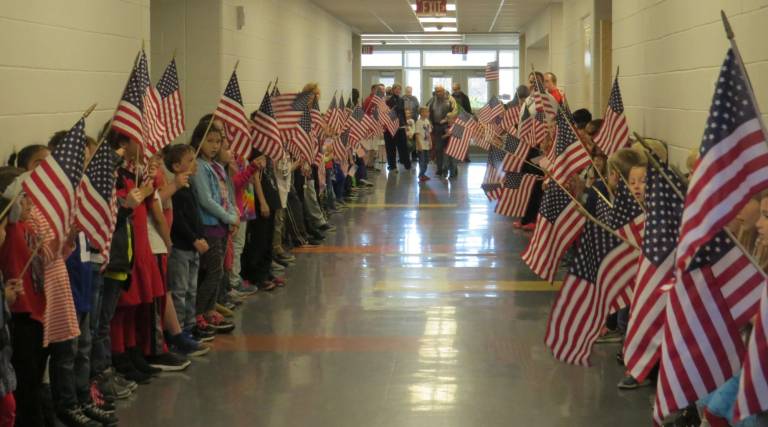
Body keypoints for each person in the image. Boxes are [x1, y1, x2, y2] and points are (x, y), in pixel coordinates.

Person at [165, 144, 216, 348]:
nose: (194, 164)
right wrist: (193, 239)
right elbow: (178, 221)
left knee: (191, 290)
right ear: (177, 166)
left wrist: (201, 237)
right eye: (190, 161)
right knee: (180, 291)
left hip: (193, 248)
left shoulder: (189, 187)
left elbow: (195, 217)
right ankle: (179, 333)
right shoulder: (175, 191)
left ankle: (190, 325)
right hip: (181, 248)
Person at [190, 118, 238, 333]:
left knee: (217, 272)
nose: (215, 146)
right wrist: (228, 217)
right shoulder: (199, 167)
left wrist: (233, 214)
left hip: (221, 225)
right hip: (208, 226)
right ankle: (198, 312)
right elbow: (206, 199)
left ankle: (209, 309)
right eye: (210, 141)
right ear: (199, 141)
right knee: (213, 272)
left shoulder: (216, 166)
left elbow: (226, 193)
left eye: (218, 142)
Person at [427, 85, 458, 178]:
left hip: (448, 126)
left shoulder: (450, 99)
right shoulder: (432, 100)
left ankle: (453, 169)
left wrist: (446, 120)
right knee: (438, 149)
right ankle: (439, 169)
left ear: (444, 90)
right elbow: (428, 112)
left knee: (450, 150)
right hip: (436, 127)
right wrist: (430, 123)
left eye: (440, 91)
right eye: (436, 91)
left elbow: (455, 111)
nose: (438, 93)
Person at [384, 83, 410, 172]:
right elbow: (385, 113)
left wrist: (405, 123)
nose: (398, 91)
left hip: (400, 125)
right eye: (396, 89)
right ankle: (392, 166)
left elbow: (402, 112)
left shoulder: (401, 100)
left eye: (399, 89)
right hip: (390, 125)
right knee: (391, 147)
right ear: (393, 89)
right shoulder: (387, 100)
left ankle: (407, 164)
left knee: (403, 146)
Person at [413, 106, 433, 182]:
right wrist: (419, 145)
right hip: (421, 145)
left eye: (428, 112)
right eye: (426, 112)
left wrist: (430, 142)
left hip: (426, 145)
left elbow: (428, 133)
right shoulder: (418, 122)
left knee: (427, 160)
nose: (428, 113)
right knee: (422, 161)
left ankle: (423, 174)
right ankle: (421, 175)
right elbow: (417, 134)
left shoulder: (427, 121)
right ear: (421, 113)